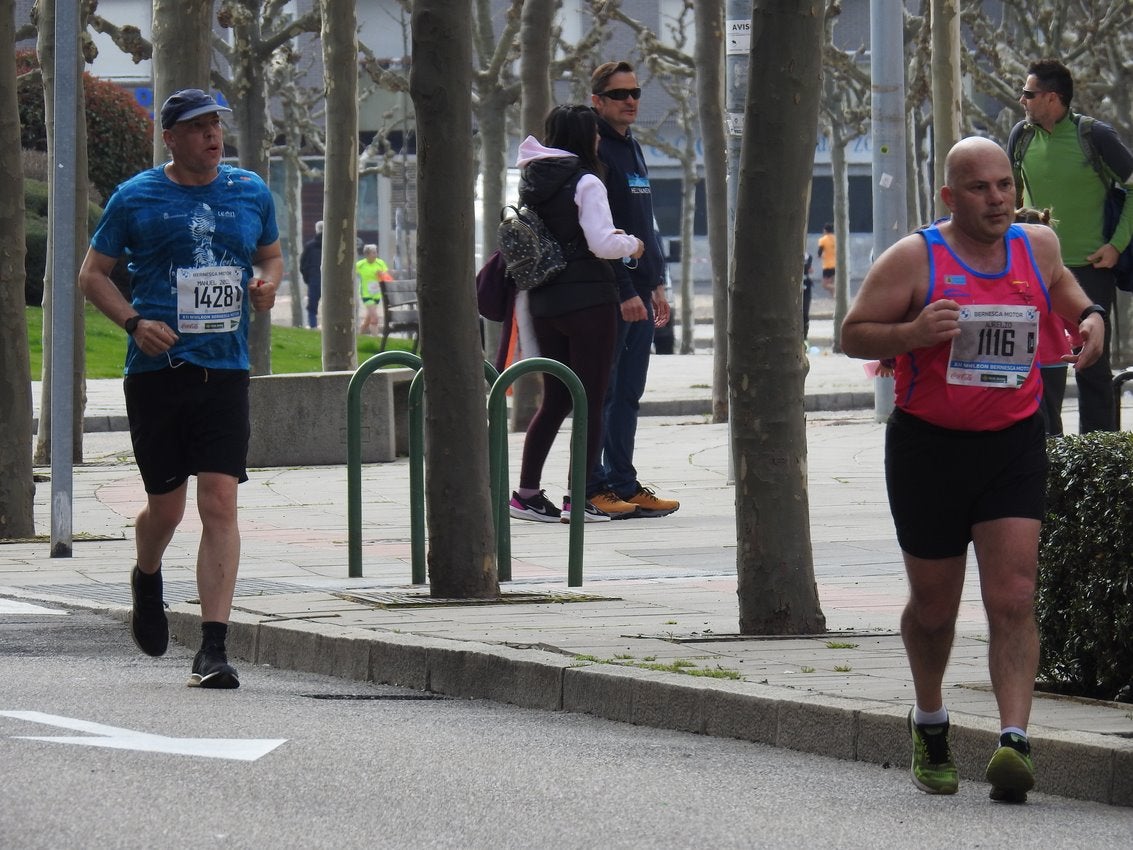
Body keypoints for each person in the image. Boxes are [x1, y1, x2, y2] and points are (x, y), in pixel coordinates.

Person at [841, 137, 1104, 803]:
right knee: (934, 609)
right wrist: (910, 334)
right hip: (927, 447)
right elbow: (852, 333)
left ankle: (1013, 741)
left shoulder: (1033, 245)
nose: (995, 199)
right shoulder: (914, 259)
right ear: (949, 197)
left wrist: (1088, 316)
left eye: (1002, 186)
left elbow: (1062, 286)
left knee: (1012, 596)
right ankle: (929, 723)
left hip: (1011, 441)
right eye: (979, 188)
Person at [77, 88, 283, 690]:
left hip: (224, 369)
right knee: (166, 506)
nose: (212, 137)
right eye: (197, 128)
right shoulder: (136, 197)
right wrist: (135, 323)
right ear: (171, 137)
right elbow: (94, 274)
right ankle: (147, 573)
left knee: (219, 499)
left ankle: (213, 648)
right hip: (157, 375)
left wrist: (266, 286)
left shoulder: (249, 191)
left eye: (216, 125)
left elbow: (270, 258)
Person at [508, 105, 645, 524]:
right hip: (589, 300)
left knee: (556, 398)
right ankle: (579, 498)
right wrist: (633, 244)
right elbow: (601, 243)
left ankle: (527, 493)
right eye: (595, 134)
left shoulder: (532, 180)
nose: (601, 140)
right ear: (587, 138)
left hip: (544, 300)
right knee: (590, 398)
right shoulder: (586, 180)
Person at [1010, 58, 1133, 432]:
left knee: (1092, 368)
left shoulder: (1095, 136)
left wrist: (1115, 245)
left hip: (1088, 270)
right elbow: (1011, 197)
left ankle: (1096, 465)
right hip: (1034, 270)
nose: (1022, 100)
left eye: (1029, 94)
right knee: (1041, 366)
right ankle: (1048, 456)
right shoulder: (1021, 136)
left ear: (1052, 98)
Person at [586, 60, 679, 520]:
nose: (631, 101)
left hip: (643, 291)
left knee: (628, 394)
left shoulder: (634, 148)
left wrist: (656, 282)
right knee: (604, 391)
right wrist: (624, 289)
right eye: (620, 94)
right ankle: (594, 485)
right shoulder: (597, 151)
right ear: (597, 101)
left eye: (636, 93)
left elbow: (646, 225)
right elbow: (602, 232)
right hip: (614, 293)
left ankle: (623, 481)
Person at [357, 243, 391, 336]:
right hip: (366, 294)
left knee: (368, 319)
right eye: (373, 253)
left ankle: (359, 336)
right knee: (375, 318)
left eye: (376, 252)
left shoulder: (380, 263)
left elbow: (388, 278)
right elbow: (350, 274)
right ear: (367, 254)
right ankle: (376, 340)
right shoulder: (360, 264)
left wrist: (381, 274)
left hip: (377, 294)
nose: (375, 255)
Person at [298, 220, 323, 328]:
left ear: (316, 230)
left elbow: (303, 264)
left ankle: (313, 326)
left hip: (314, 279)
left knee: (312, 306)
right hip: (331, 281)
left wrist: (308, 278)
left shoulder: (310, 246)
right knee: (333, 305)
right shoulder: (333, 246)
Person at [818, 222, 836, 294]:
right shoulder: (836, 239)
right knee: (831, 282)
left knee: (825, 285)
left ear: (825, 230)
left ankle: (838, 289)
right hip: (836, 264)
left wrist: (820, 256)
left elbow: (819, 252)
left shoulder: (823, 240)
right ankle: (834, 299)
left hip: (827, 265)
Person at [802, 250, 814, 340]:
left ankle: (804, 339)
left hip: (806, 287)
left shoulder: (809, 256)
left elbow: (810, 269)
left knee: (805, 314)